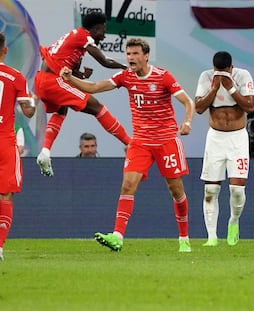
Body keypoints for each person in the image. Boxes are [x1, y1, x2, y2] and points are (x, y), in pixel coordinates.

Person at [60, 38, 195, 252]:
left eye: (135, 54)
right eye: (128, 54)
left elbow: (188, 102)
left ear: (146, 55)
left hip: (166, 141)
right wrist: (70, 80)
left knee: (176, 190)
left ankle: (184, 238)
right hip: (140, 142)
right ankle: (117, 236)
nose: (130, 58)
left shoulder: (163, 76)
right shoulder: (125, 77)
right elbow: (95, 87)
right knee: (127, 185)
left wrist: (187, 122)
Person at [34, 11, 130, 177]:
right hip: (53, 81)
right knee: (96, 107)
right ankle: (130, 144)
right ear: (95, 28)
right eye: (103, 30)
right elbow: (105, 61)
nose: (104, 35)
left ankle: (45, 152)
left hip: (43, 80)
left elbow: (69, 69)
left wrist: (82, 76)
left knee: (61, 111)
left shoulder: (74, 37)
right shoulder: (85, 37)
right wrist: (128, 69)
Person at [195, 51, 254, 246]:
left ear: (231, 68)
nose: (221, 75)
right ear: (213, 68)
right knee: (211, 190)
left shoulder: (242, 76)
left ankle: (233, 222)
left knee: (237, 190)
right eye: (217, 71)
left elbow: (249, 106)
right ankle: (211, 236)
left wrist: (230, 89)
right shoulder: (206, 77)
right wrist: (213, 89)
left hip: (237, 139)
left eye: (224, 72)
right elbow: (199, 107)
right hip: (215, 139)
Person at [0, 33, 36, 261]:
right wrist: (32, 98)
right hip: (4, 141)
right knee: (5, 194)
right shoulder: (15, 77)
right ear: (5, 50)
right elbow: (29, 111)